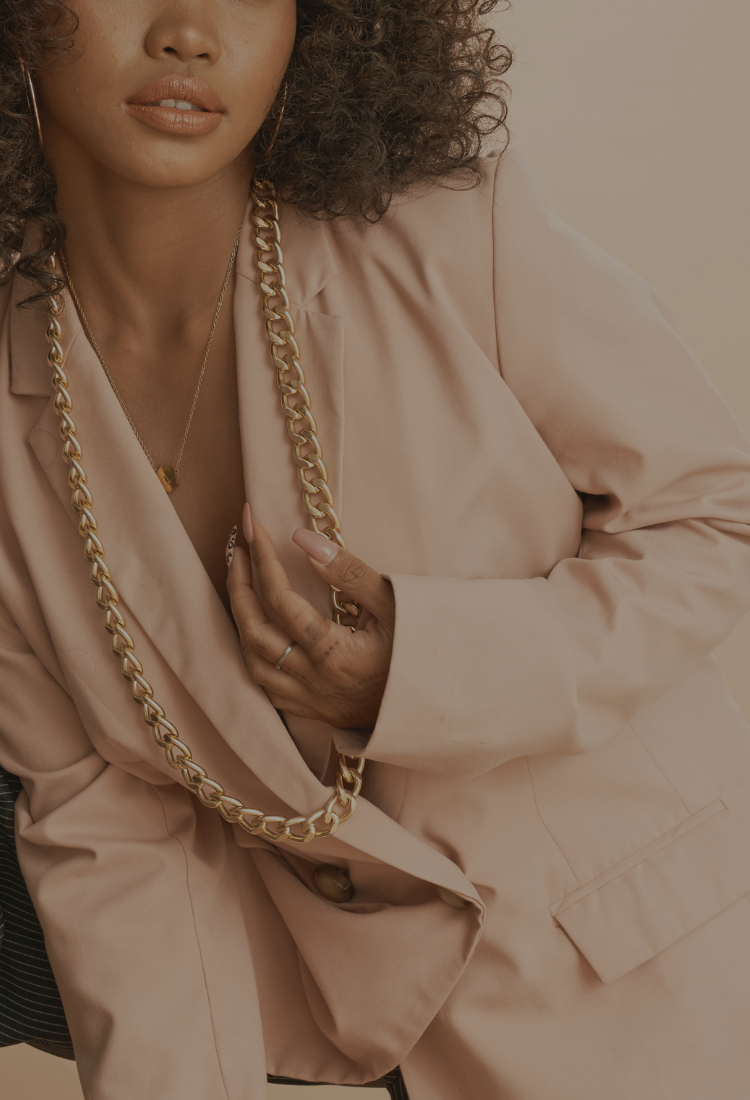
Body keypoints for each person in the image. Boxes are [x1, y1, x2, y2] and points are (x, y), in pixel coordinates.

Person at [1, 1, 750, 1098]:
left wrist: (421, 670)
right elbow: (108, 823)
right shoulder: (16, 406)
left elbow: (714, 515)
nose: (190, 31)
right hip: (355, 1025)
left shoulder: (443, 229)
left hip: (644, 973)